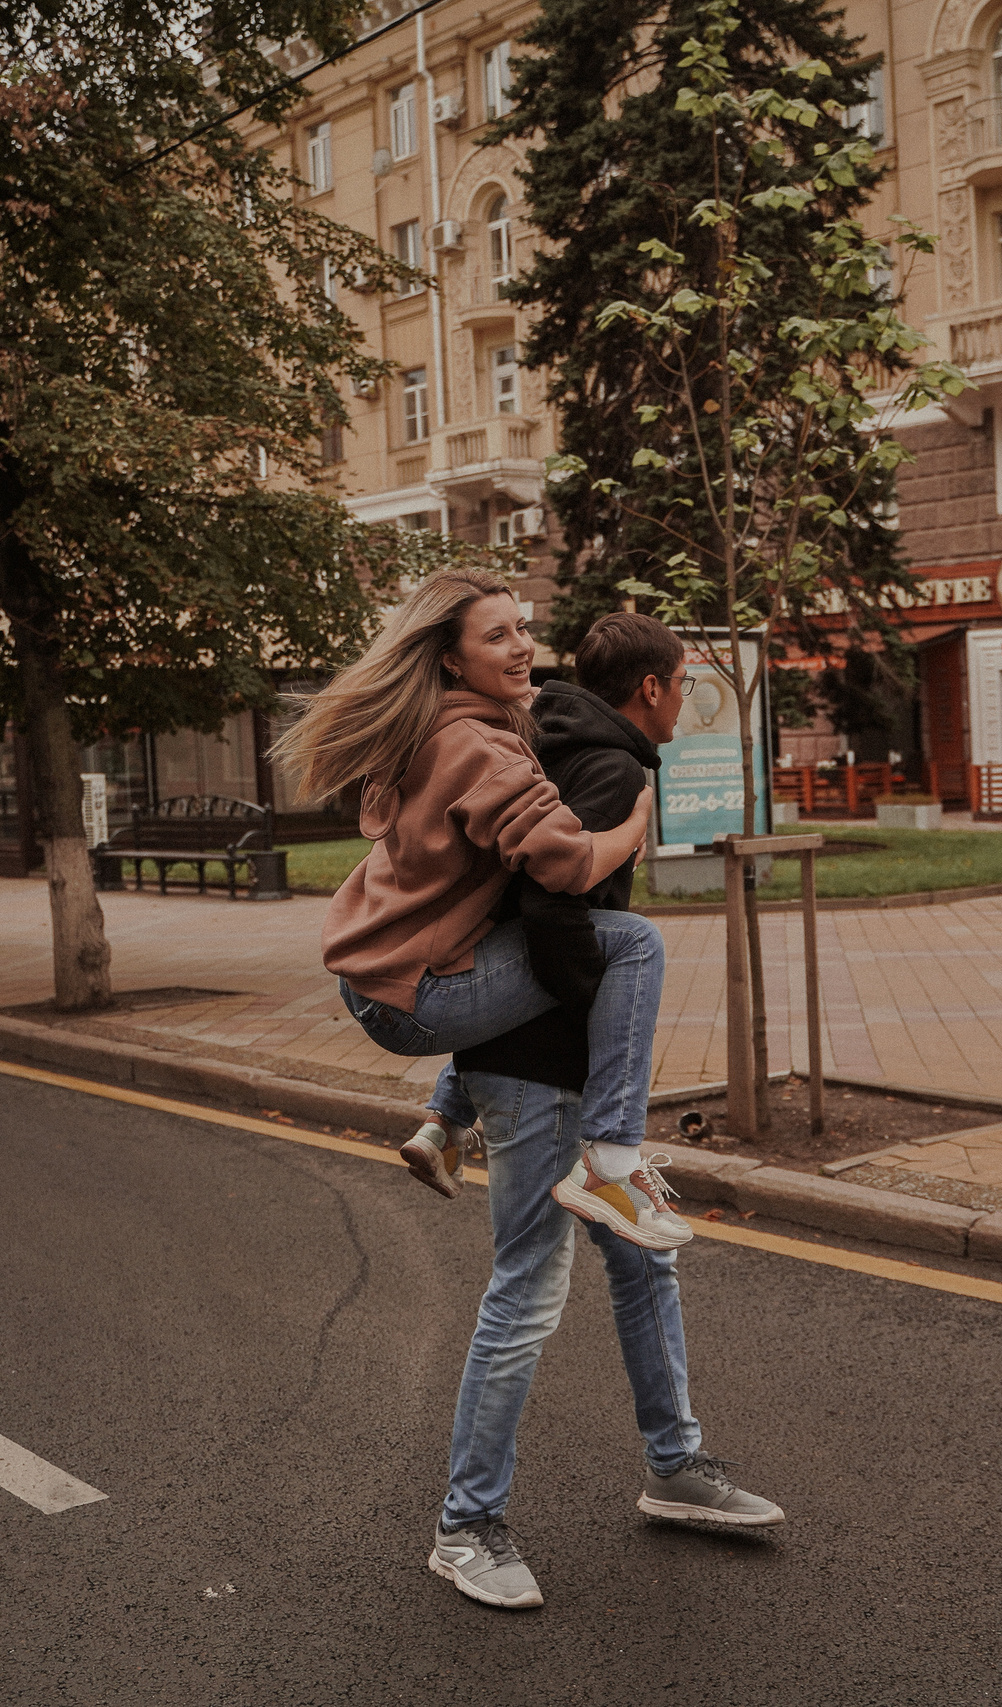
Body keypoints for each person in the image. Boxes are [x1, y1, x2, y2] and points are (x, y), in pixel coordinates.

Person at [423, 613, 785, 1612]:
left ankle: (674, 1465)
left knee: (641, 1261)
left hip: (545, 1061)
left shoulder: (552, 738)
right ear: (654, 691)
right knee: (527, 1293)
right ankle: (465, 1526)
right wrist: (595, 1021)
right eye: (680, 686)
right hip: (541, 1073)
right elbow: (550, 912)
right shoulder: (612, 768)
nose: (681, 702)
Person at [274, 569, 694, 1252]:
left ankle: (445, 1119)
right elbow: (568, 867)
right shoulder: (480, 744)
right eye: (496, 636)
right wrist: (632, 827)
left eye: (522, 627)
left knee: (504, 940)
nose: (521, 646)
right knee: (635, 945)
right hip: (415, 995)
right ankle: (613, 1164)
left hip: (382, 975)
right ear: (451, 658)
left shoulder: (446, 725)